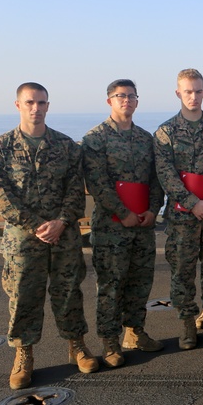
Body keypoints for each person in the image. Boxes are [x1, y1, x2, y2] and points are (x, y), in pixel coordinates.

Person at [0, 82, 95, 389]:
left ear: (48, 106)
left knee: (69, 292)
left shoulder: (66, 147)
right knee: (23, 297)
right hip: (23, 239)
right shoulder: (0, 148)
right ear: (18, 105)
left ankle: (77, 345)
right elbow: (1, 197)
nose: (36, 108)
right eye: (30, 102)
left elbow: (76, 191)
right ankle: (24, 354)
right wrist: (36, 225)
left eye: (42, 102)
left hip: (64, 235)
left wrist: (60, 221)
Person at [82, 79, 165, 368]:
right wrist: (122, 212)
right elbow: (97, 183)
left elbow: (156, 179)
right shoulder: (96, 138)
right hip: (111, 227)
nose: (126, 101)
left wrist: (154, 210)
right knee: (111, 285)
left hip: (142, 224)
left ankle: (135, 331)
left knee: (141, 281)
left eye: (131, 96)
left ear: (137, 101)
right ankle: (109, 340)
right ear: (109, 101)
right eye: (120, 96)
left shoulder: (146, 139)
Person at [154, 68, 203, 349]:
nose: (194, 96)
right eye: (188, 91)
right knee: (182, 271)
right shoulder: (165, 133)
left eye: (199, 91)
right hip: (182, 217)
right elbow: (166, 175)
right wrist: (193, 204)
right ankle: (187, 323)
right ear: (178, 93)